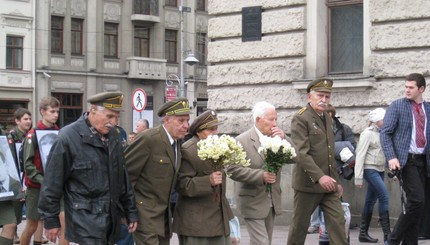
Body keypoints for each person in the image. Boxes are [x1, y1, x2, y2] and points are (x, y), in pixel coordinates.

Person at [38, 91, 138, 244]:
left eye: (117, 117)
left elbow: (122, 178)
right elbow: (52, 182)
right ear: (93, 110)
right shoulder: (68, 137)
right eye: (109, 116)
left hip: (111, 219)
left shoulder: (115, 136)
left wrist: (129, 211)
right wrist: (51, 219)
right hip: (84, 220)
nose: (114, 122)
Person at [287, 78, 347, 245]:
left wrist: (336, 181)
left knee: (338, 223)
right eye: (320, 95)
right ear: (309, 97)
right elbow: (301, 153)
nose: (324, 100)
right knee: (299, 227)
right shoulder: (301, 118)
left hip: (329, 184)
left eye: (327, 97)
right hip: (308, 184)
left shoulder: (327, 118)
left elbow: (329, 154)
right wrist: (320, 177)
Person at [125, 98, 191, 245]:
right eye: (181, 121)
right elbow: (126, 176)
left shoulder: (177, 143)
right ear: (167, 120)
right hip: (144, 215)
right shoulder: (149, 139)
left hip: (163, 217)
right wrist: (127, 211)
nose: (186, 125)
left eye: (187, 121)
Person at [380, 73, 430, 245]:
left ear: (421, 89)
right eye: (406, 87)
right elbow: (385, 133)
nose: (407, 90)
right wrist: (392, 157)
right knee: (417, 200)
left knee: (419, 207)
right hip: (406, 161)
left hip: (424, 162)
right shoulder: (398, 106)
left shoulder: (428, 108)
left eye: (411, 87)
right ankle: (393, 240)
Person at [227, 101, 286, 245]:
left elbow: (295, 157)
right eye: (271, 119)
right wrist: (261, 176)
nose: (275, 123)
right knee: (262, 243)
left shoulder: (277, 137)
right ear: (258, 119)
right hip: (252, 201)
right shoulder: (241, 140)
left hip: (271, 201)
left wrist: (284, 139)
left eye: (276, 119)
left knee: (265, 241)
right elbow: (232, 169)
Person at [173, 110, 233, 245]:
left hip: (218, 221)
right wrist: (208, 181)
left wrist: (229, 218)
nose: (215, 133)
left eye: (216, 129)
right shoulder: (189, 150)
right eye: (210, 130)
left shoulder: (216, 148)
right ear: (199, 131)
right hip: (197, 225)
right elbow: (182, 184)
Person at [20, 96, 61, 245]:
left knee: (58, 222)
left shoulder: (60, 133)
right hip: (36, 187)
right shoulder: (33, 134)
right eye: (52, 111)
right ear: (43, 112)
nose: (56, 115)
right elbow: (28, 165)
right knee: (32, 225)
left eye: (57, 111)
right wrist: (43, 181)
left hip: (54, 186)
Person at [355, 108, 390, 243]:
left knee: (370, 201)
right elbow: (360, 155)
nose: (386, 121)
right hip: (370, 169)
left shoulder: (383, 132)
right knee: (384, 197)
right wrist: (358, 177)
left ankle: (363, 234)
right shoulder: (367, 134)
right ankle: (387, 235)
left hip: (380, 169)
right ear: (377, 121)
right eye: (383, 119)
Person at [6, 108, 32, 244]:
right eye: (25, 119)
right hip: (16, 175)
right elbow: (10, 160)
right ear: (17, 121)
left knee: (31, 205)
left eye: (29, 119)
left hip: (27, 173)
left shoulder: (30, 135)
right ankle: (14, 232)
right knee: (16, 205)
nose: (29, 122)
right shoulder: (11, 137)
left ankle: (32, 229)